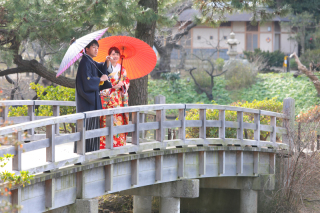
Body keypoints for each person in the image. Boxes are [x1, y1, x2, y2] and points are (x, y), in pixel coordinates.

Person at [74, 39, 112, 153]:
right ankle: (84, 152)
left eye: (97, 48)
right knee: (87, 126)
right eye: (94, 47)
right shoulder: (84, 62)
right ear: (87, 49)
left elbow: (100, 68)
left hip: (91, 101)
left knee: (92, 127)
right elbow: (87, 81)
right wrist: (100, 79)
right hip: (87, 102)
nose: (96, 50)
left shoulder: (90, 61)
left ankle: (90, 151)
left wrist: (107, 63)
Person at [100, 47, 130, 149]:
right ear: (109, 55)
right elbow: (102, 83)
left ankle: (119, 144)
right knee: (106, 120)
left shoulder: (122, 69)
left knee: (118, 120)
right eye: (113, 54)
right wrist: (112, 86)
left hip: (119, 99)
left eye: (117, 54)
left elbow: (127, 82)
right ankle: (105, 145)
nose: (116, 56)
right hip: (108, 98)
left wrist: (123, 84)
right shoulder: (105, 67)